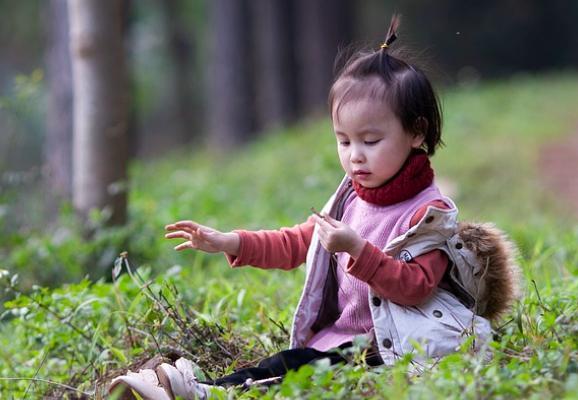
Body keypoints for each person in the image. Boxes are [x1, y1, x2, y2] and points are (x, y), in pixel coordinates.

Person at [109, 15, 520, 400]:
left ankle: (205, 392)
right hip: (339, 343)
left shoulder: (425, 215)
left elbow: (415, 289)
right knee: (290, 366)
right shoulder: (352, 197)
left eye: (371, 141)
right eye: (344, 141)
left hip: (383, 352)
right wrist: (229, 242)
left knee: (290, 367)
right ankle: (192, 387)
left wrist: (359, 251)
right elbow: (297, 243)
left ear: (416, 132)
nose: (355, 156)